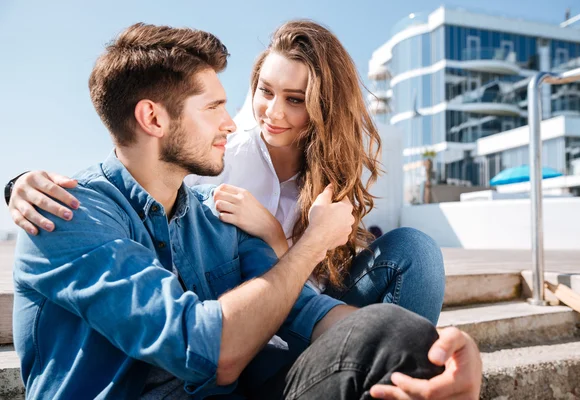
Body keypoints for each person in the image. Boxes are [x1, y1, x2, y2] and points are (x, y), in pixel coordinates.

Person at [11, 22, 482, 399]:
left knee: (398, 320)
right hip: (225, 356)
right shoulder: (66, 214)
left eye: (295, 100)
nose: (235, 120)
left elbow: (310, 310)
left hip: (254, 352)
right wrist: (17, 183)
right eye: (215, 106)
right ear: (155, 118)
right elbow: (209, 347)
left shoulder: (213, 216)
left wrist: (432, 348)